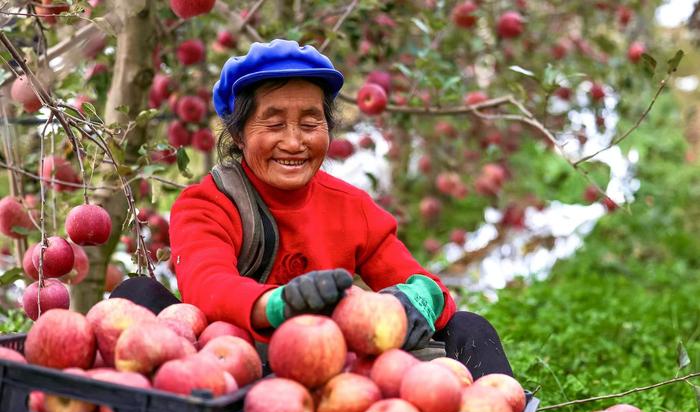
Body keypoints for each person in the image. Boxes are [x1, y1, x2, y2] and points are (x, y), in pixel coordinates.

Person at [111, 39, 512, 379]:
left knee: (469, 327)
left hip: (333, 374)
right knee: (137, 294)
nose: (293, 142)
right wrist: (280, 305)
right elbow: (208, 287)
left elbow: (432, 292)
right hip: (229, 370)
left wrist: (414, 301)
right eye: (273, 124)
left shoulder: (351, 207)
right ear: (237, 132)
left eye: (309, 123)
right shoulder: (207, 203)